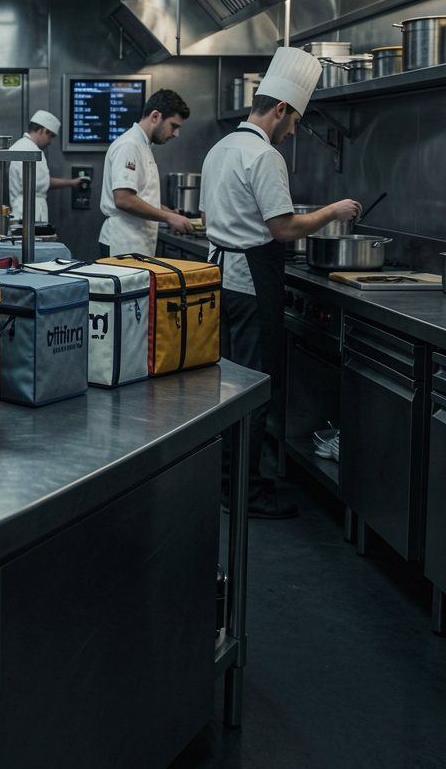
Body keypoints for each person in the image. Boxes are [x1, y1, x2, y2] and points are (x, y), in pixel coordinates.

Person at [200, 46, 361, 519]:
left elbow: (212, 216)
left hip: (220, 277)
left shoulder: (220, 149)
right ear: (280, 109)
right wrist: (333, 211)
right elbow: (284, 229)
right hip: (252, 281)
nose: (293, 132)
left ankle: (226, 479)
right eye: (293, 123)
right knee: (252, 386)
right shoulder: (263, 156)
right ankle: (245, 492)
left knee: (226, 384)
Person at [98, 89, 193, 257]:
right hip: (123, 244)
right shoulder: (130, 145)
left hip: (136, 244)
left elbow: (139, 195)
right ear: (155, 116)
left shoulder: (144, 145)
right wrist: (168, 218)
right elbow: (123, 199)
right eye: (174, 126)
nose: (176, 134)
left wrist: (166, 211)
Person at [6, 109, 84, 230]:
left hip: (22, 210)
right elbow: (42, 183)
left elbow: (40, 182)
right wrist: (72, 182)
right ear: (42, 130)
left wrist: (72, 182)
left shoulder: (21, 145)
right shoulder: (31, 150)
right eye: (51, 136)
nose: (51, 141)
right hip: (29, 212)